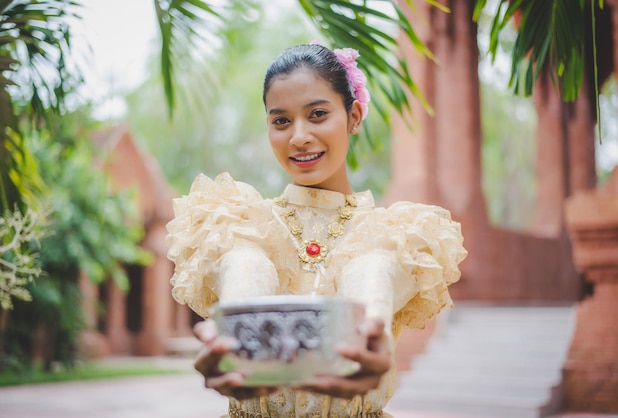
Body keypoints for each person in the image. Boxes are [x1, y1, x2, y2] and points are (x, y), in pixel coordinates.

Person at [166, 43, 467, 418]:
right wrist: (234, 341)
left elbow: (376, 279)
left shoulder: (395, 236)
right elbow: (242, 272)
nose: (299, 136)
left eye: (318, 114)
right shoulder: (238, 226)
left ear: (354, 116)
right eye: (281, 121)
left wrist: (371, 341)